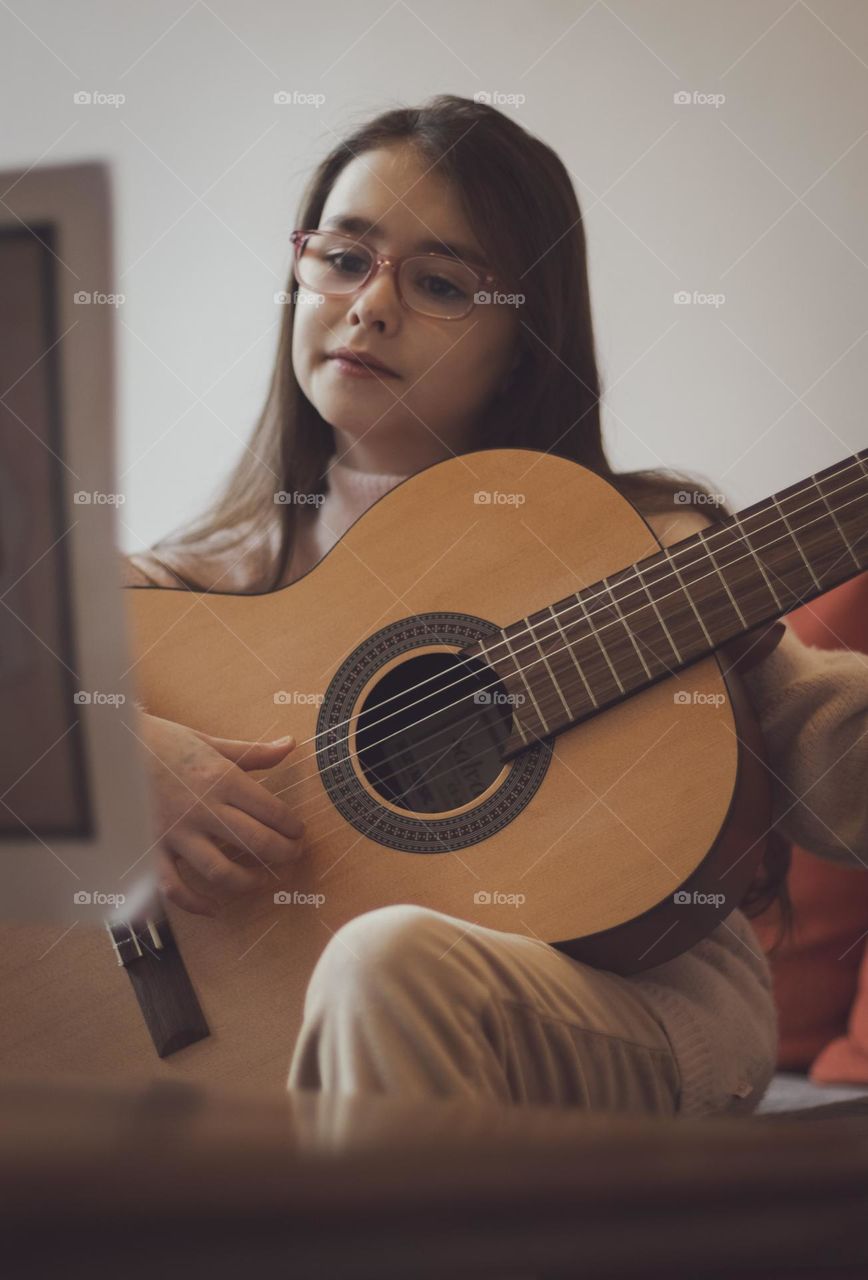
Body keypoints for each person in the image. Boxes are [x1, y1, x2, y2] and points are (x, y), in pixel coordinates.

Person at [122, 94, 868, 1120]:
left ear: (524, 339)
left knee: (384, 957)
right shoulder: (198, 578)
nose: (370, 305)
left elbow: (832, 758)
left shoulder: (631, 546)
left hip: (635, 1007)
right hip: (302, 1032)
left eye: (437, 283)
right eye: (342, 258)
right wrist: (120, 752)